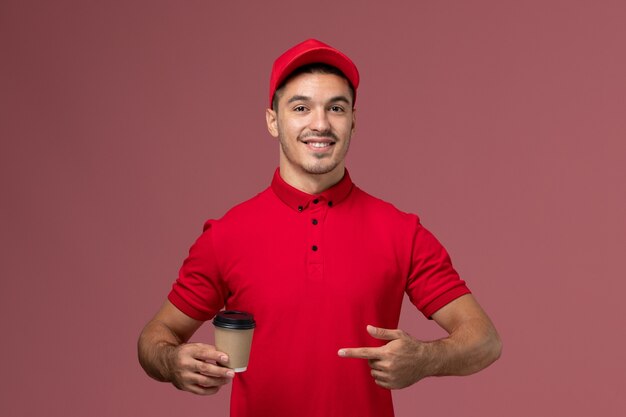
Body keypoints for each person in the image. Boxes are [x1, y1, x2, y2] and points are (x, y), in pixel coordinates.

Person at [138, 38, 502, 417]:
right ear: (272, 120)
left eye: (336, 108)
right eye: (301, 107)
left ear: (354, 122)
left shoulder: (400, 231)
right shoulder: (227, 235)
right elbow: (154, 337)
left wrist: (425, 358)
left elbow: (485, 340)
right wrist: (173, 363)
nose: (321, 123)